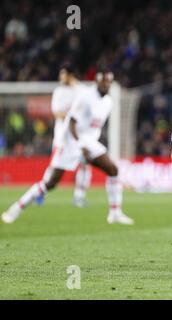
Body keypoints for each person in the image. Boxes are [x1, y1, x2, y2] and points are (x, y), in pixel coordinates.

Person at [2, 69, 134, 225]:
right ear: (97, 82)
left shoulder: (108, 102)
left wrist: (90, 144)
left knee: (113, 170)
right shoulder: (86, 97)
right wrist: (80, 145)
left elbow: (93, 127)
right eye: (103, 81)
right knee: (50, 183)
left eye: (109, 82)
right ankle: (16, 208)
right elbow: (71, 122)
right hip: (70, 141)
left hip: (88, 142)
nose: (106, 84)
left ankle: (115, 213)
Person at [34, 64, 92, 208]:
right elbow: (57, 113)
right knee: (54, 166)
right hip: (62, 137)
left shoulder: (81, 90)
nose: (60, 77)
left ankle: (79, 196)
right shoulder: (59, 91)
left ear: (70, 75)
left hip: (79, 136)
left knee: (85, 164)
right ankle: (42, 192)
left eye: (63, 74)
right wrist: (74, 115)